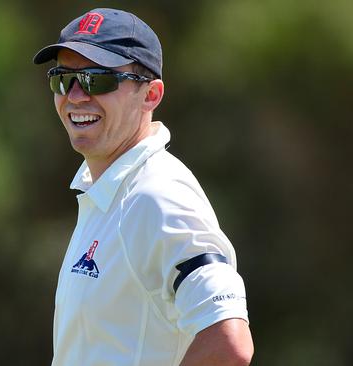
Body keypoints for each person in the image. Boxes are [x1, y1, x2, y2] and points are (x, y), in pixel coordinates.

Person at [33, 8, 254, 366]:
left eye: (96, 79)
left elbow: (229, 342)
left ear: (151, 95)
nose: (74, 96)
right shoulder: (108, 191)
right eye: (63, 78)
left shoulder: (158, 194)